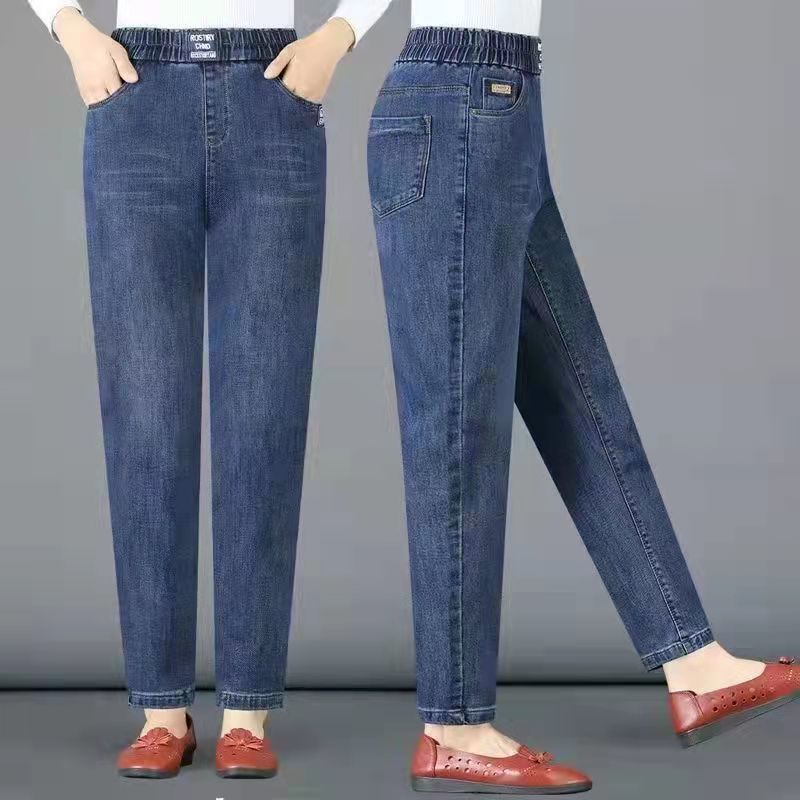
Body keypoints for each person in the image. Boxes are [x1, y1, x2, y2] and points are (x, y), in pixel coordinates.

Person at [365, 1, 799, 794]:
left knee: (579, 392)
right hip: (456, 102)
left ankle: (694, 663)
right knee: (458, 429)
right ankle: (454, 727)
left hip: (502, 106)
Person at [27, 0, 385, 781]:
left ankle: (247, 712)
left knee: (264, 412)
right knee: (145, 417)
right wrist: (69, 28)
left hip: (272, 94)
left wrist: (340, 33)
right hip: (137, 95)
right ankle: (161, 712)